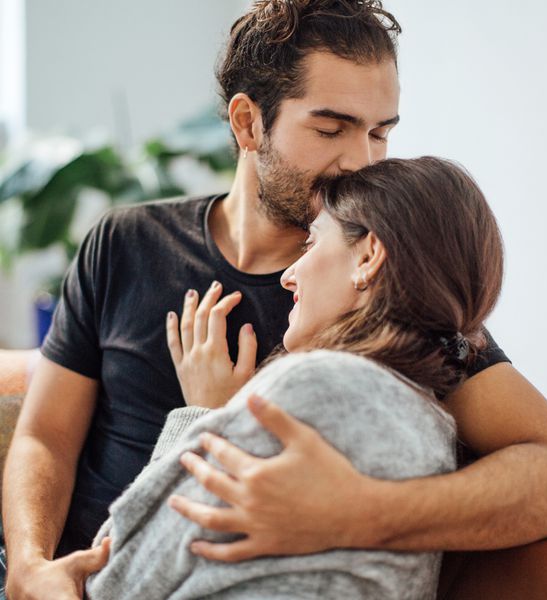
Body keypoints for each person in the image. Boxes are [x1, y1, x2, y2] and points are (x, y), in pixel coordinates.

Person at [2, 1, 547, 598]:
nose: (361, 161)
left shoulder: (382, 291)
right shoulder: (124, 243)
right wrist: (30, 567)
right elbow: (44, 435)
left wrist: (362, 510)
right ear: (248, 124)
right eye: (331, 129)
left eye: (380, 131)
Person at [86, 156, 498, 599]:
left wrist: (203, 415)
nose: (288, 276)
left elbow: (112, 574)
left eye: (311, 243)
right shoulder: (433, 426)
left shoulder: (314, 385)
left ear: (369, 255)